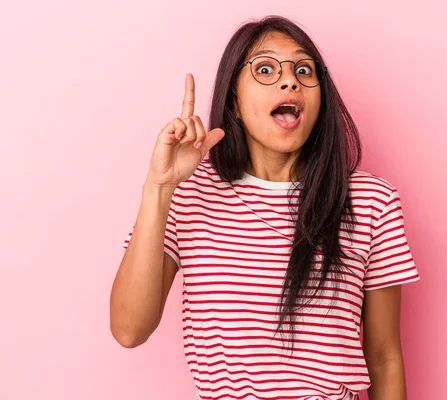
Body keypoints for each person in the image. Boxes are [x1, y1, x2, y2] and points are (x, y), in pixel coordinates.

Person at [110, 15, 420, 400]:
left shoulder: (371, 201)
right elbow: (128, 329)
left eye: (304, 70)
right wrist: (159, 188)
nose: (290, 80)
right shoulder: (190, 193)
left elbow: (384, 356)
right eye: (265, 69)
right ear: (234, 102)